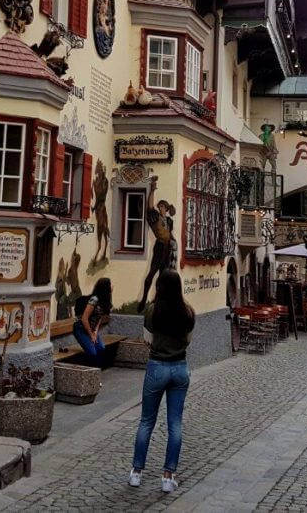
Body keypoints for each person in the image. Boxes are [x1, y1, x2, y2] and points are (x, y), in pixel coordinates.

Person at [130, 269, 194, 493]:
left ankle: (136, 473)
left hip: (157, 366)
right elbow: (187, 341)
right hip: (179, 368)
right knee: (174, 424)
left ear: (159, 287)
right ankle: (168, 476)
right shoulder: (188, 312)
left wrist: (158, 347)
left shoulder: (151, 311)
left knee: (146, 421)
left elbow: (146, 339)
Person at [138, 176, 177, 311]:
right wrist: (152, 190)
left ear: (166, 209)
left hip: (168, 248)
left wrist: (174, 242)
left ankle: (158, 299)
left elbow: (170, 234)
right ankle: (143, 299)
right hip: (159, 246)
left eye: (163, 207)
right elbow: (149, 206)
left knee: (163, 275)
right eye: (159, 206)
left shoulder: (169, 221)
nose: (160, 208)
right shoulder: (155, 217)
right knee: (151, 273)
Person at [73, 278, 112, 366]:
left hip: (91, 329)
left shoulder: (104, 301)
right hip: (81, 328)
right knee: (92, 353)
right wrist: (91, 335)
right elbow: (84, 318)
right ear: (105, 288)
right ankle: (90, 374)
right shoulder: (94, 299)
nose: (111, 287)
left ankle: (96, 371)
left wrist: (95, 332)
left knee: (101, 348)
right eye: (110, 285)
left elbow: (99, 318)